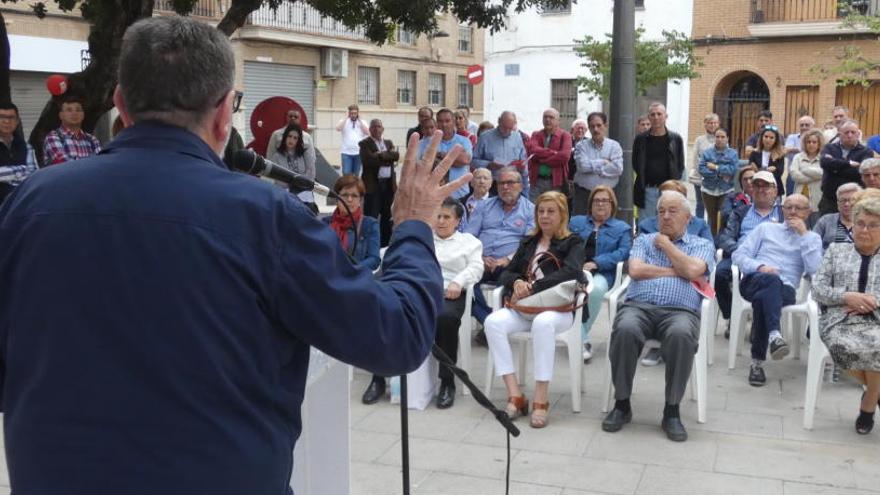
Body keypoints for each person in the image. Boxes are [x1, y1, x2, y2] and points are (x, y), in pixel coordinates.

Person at [0, 15, 474, 495]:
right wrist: (413, 223)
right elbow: (396, 336)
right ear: (227, 112)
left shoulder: (28, 203)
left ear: (120, 102)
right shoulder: (264, 216)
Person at [602, 190, 715, 442]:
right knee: (625, 329)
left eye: (672, 211)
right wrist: (678, 271)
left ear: (687, 218)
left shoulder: (702, 244)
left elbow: (695, 269)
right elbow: (635, 270)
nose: (665, 216)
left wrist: (666, 245)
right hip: (638, 307)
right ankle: (622, 404)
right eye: (661, 211)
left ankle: (672, 410)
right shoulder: (644, 240)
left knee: (681, 334)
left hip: (681, 312)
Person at [485, 191, 585, 429]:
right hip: (526, 308)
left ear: (562, 214)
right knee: (493, 322)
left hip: (556, 310)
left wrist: (534, 287)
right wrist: (517, 282)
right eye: (541, 211)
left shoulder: (574, 242)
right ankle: (515, 395)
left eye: (551, 211)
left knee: (543, 324)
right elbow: (508, 272)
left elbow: (572, 272)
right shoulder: (528, 242)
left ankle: (541, 398)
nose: (545, 216)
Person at [732, 194, 822, 386]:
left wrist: (804, 236)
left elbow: (814, 270)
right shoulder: (765, 228)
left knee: (763, 298)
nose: (793, 212)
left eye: (799, 208)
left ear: (808, 212)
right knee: (770, 282)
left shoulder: (812, 238)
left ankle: (757, 362)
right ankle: (774, 335)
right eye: (788, 207)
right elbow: (739, 255)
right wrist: (760, 266)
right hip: (754, 280)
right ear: (782, 210)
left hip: (786, 290)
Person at [813, 193, 880, 435]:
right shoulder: (836, 251)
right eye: (860, 223)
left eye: (873, 225)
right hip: (839, 320)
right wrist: (846, 296)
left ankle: (869, 404)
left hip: (876, 321)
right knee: (846, 348)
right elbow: (817, 289)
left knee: (878, 346)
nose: (865, 230)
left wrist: (872, 301)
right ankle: (874, 392)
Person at [715, 171, 783, 338]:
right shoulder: (741, 212)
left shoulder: (783, 214)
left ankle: (759, 321)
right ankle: (732, 315)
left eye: (766, 186)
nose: (761, 189)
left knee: (771, 278)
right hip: (740, 255)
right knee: (720, 274)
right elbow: (725, 237)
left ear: (775, 190)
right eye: (757, 186)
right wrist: (741, 250)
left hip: (772, 258)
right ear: (751, 190)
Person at [465, 167, 535, 327]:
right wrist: (479, 258)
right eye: (501, 183)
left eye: (510, 183)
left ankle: (498, 324)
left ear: (521, 186)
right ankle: (490, 322)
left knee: (512, 284)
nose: (505, 187)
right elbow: (468, 237)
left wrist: (507, 259)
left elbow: (529, 244)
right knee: (463, 283)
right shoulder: (483, 206)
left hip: (510, 265)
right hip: (480, 262)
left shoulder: (531, 210)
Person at [431, 198, 484, 408]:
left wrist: (458, 281)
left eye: (447, 217)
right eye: (438, 216)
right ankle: (379, 377)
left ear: (458, 220)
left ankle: (447, 380)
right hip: (424, 290)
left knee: (445, 319)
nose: (441, 221)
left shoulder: (469, 242)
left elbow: (476, 268)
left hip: (452, 292)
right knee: (390, 310)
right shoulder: (425, 239)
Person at [568, 185, 632, 361]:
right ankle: (582, 340)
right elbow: (564, 241)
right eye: (597, 200)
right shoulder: (576, 222)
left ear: (612, 204)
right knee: (567, 289)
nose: (601, 204)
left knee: (594, 289)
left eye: (605, 200)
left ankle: (579, 336)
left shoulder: (622, 228)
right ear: (590, 204)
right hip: (574, 270)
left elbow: (624, 252)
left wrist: (597, 263)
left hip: (603, 273)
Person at [632, 102, 685, 218]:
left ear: (666, 116)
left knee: (668, 225)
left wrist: (674, 186)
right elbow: (635, 163)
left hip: (669, 191)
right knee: (646, 228)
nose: (656, 117)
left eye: (659, 114)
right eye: (653, 114)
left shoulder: (676, 139)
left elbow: (680, 165)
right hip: (647, 190)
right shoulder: (640, 139)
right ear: (649, 117)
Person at [324, 174, 380, 272]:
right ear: (337, 197)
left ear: (360, 200)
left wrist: (351, 270)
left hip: (354, 281)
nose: (349, 199)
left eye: (354, 196)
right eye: (345, 195)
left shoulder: (370, 224)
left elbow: (374, 259)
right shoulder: (325, 223)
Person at [571, 112, 623, 216]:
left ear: (605, 126)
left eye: (599, 125)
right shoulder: (581, 146)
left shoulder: (614, 146)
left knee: (606, 227)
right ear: (589, 128)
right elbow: (582, 166)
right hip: (583, 195)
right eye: (592, 126)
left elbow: (617, 169)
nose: (595, 129)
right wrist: (604, 162)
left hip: (607, 196)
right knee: (581, 227)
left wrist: (592, 166)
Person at [819, 120, 874, 214]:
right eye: (846, 132)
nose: (849, 135)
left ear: (858, 134)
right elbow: (824, 163)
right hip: (830, 200)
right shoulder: (829, 148)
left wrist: (834, 168)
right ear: (839, 134)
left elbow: (859, 172)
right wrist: (848, 164)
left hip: (855, 201)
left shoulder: (866, 152)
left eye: (853, 132)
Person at [359, 118, 399, 246]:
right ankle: (367, 243)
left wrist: (380, 155)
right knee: (371, 215)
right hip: (373, 186)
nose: (376, 129)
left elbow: (396, 156)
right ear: (370, 129)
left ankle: (385, 244)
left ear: (383, 129)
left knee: (387, 217)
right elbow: (368, 161)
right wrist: (386, 157)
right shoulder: (364, 143)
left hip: (388, 186)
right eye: (374, 127)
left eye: (379, 126)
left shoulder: (388, 142)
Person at [418, 108, 473, 200]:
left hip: (459, 195)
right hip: (433, 195)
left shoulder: (464, 141)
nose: (444, 124)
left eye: (447, 121)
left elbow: (465, 160)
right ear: (436, 123)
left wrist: (441, 156)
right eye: (440, 121)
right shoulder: (426, 142)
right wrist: (455, 158)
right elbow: (424, 165)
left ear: (453, 122)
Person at [638, 180, 713, 243]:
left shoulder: (700, 225)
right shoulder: (646, 226)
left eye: (672, 210)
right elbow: (639, 252)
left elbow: (711, 254)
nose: (666, 216)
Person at [267, 123, 318, 213]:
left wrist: (296, 183)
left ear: (299, 140)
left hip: (304, 196)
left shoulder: (305, 154)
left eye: (295, 138)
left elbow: (311, 175)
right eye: (289, 136)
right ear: (285, 137)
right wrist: (295, 184)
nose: (291, 140)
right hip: (285, 196)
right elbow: (277, 179)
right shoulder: (277, 156)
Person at [698, 127, 739, 235]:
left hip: (726, 189)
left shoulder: (733, 153)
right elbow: (702, 169)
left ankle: (721, 241)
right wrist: (721, 173)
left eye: (722, 137)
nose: (720, 139)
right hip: (708, 189)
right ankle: (711, 241)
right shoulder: (707, 153)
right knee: (711, 218)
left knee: (723, 216)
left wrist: (716, 167)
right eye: (717, 137)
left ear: (727, 139)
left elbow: (733, 170)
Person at [41, 94, 102, 165]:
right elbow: (66, 165)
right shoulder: (53, 137)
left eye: (78, 110)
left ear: (83, 115)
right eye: (69, 110)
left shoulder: (92, 140)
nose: (74, 113)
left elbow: (100, 164)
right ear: (61, 115)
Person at [527, 108, 573, 202]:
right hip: (537, 181)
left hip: (555, 182)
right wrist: (553, 153)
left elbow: (564, 156)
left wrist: (541, 160)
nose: (547, 119)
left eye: (551, 117)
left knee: (554, 209)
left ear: (558, 121)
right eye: (545, 117)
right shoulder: (536, 134)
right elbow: (532, 150)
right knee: (533, 210)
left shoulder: (565, 135)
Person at [472, 111, 527, 187]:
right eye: (504, 127)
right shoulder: (485, 137)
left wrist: (522, 167)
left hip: (512, 183)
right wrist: (488, 164)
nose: (507, 131)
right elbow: (473, 161)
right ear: (499, 121)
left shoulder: (517, 137)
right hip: (492, 183)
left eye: (510, 128)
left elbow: (524, 160)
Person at [0, 101, 37, 203]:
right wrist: (21, 169)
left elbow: (33, 175)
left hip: (21, 203)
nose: (7, 121)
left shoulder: (26, 146)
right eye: (2, 117)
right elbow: (26, 170)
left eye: (11, 117)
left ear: (17, 121)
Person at [689, 113, 720, 221]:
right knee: (700, 204)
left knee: (714, 205)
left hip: (717, 178)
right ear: (705, 125)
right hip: (700, 178)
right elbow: (696, 159)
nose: (712, 125)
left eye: (714, 123)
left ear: (718, 124)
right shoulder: (699, 140)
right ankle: (699, 225)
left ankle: (712, 228)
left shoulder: (721, 138)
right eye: (710, 123)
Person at [789, 128, 825, 219]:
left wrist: (805, 170)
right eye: (808, 142)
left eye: (814, 142)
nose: (811, 144)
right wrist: (815, 176)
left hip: (817, 200)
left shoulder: (823, 158)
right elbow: (794, 175)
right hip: (800, 198)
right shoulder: (798, 157)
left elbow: (824, 173)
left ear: (819, 144)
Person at [813, 183, 863, 249]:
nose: (846, 204)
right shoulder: (826, 221)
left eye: (851, 200)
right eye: (843, 200)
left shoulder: (867, 223)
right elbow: (813, 243)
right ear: (838, 203)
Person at [748, 124, 786, 196]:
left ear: (776, 140)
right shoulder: (754, 153)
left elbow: (779, 172)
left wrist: (760, 170)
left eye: (771, 138)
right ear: (761, 138)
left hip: (774, 189)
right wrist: (767, 170)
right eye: (766, 137)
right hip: (757, 187)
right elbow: (751, 170)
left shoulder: (779, 155)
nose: (768, 140)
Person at [784, 115, 816, 195]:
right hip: (794, 176)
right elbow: (786, 150)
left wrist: (794, 150)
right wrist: (806, 150)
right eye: (802, 125)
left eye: (807, 125)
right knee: (791, 200)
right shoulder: (792, 137)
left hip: (812, 176)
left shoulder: (818, 139)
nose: (804, 127)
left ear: (813, 126)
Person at [335, 104, 368, 176]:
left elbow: (367, 132)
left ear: (358, 113)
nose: (353, 115)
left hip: (358, 153)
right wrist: (346, 117)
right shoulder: (344, 121)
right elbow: (338, 128)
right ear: (349, 113)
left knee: (356, 174)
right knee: (346, 174)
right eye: (351, 113)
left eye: (355, 113)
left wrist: (360, 120)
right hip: (346, 153)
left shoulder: (362, 122)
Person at [720, 164, 757, 230]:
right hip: (737, 232)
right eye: (745, 179)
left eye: (751, 178)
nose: (748, 182)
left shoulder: (765, 199)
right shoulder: (731, 198)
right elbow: (726, 218)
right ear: (741, 183)